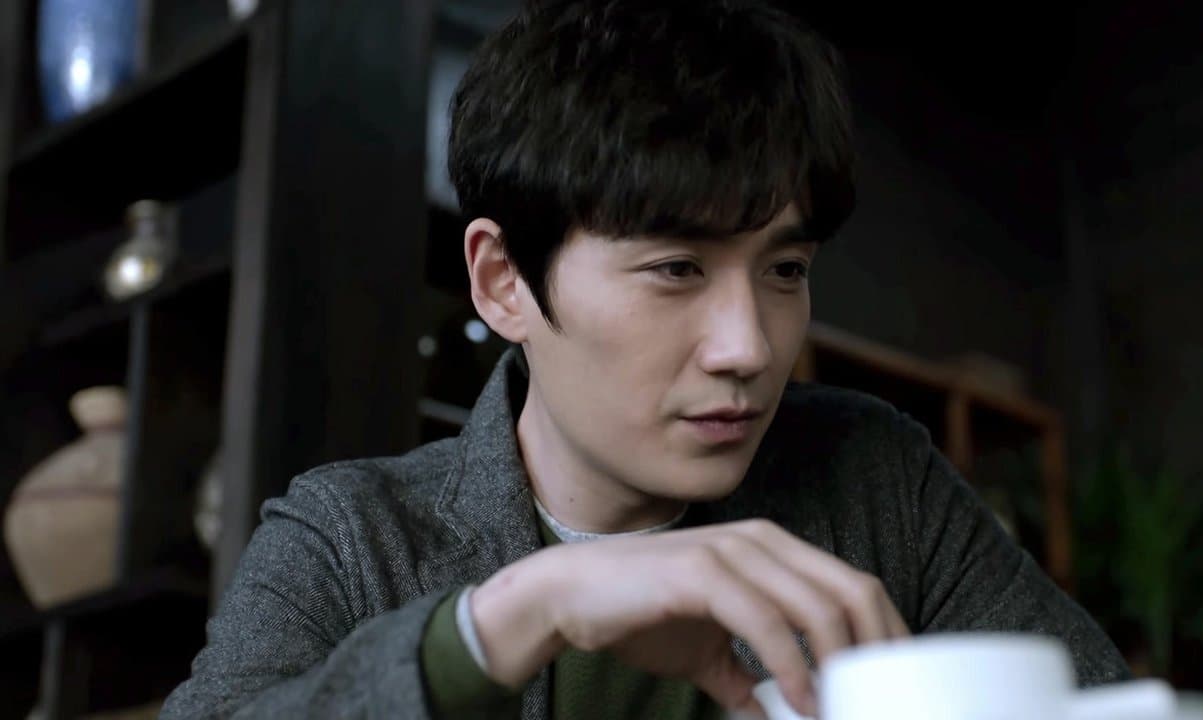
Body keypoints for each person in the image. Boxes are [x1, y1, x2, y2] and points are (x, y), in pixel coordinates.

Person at [161, 1, 1130, 718]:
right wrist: (520, 614)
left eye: (784, 269)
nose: (749, 348)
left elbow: (1101, 703)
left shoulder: (873, 476)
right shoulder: (350, 536)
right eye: (675, 269)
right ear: (503, 281)